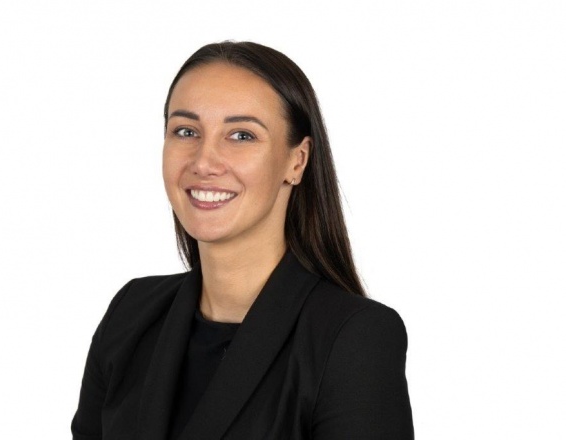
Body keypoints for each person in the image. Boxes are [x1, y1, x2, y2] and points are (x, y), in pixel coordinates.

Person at [71, 41, 414, 440]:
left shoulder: (353, 337)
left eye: (241, 135)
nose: (203, 162)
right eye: (186, 131)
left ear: (297, 160)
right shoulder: (131, 314)